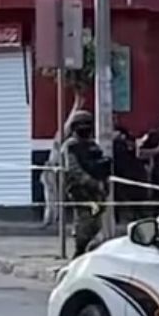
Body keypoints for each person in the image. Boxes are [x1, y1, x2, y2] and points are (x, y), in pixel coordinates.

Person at [61, 110, 111, 258]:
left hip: (97, 192)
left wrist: (102, 182)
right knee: (84, 222)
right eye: (81, 124)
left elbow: (101, 164)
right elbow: (74, 170)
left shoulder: (92, 145)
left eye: (87, 124)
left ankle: (87, 253)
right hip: (80, 191)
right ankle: (79, 253)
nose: (85, 127)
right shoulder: (71, 146)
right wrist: (92, 183)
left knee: (96, 224)